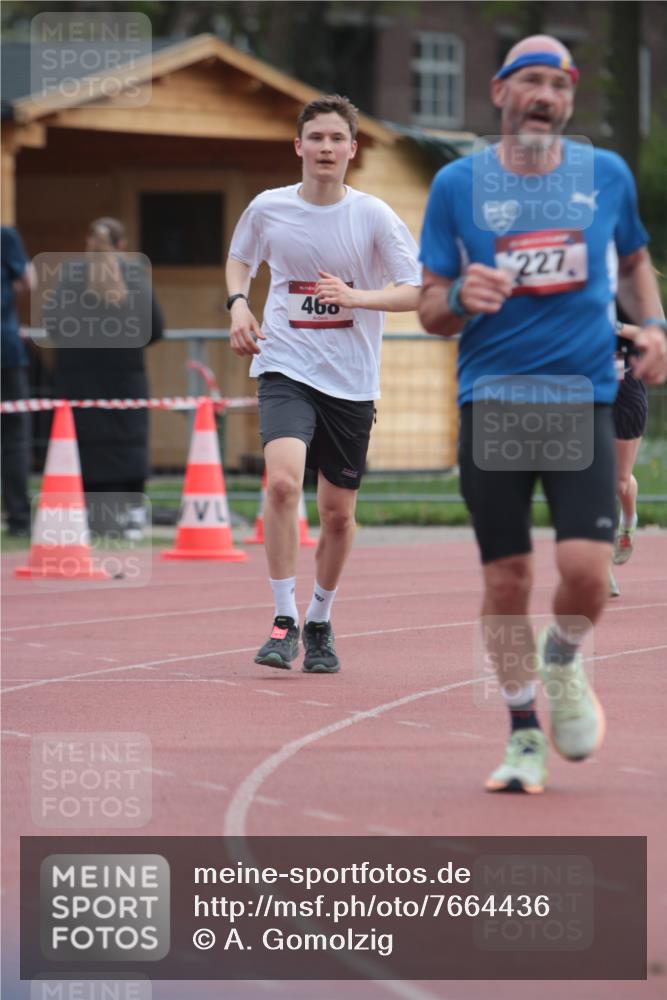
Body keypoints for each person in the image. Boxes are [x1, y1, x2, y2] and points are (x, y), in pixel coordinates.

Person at [418, 36, 667, 792]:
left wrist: (653, 325)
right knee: (507, 581)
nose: (543, 97)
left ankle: (560, 659)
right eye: (529, 82)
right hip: (492, 399)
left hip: (581, 394)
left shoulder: (606, 176)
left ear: (567, 98)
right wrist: (462, 297)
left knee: (587, 575)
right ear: (498, 92)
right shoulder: (456, 185)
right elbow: (430, 305)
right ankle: (523, 731)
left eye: (556, 86)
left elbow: (629, 264)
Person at [226, 95, 421, 673]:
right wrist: (239, 304)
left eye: (338, 139)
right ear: (299, 146)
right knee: (283, 484)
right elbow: (241, 260)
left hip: (351, 381)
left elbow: (415, 290)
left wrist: (357, 296)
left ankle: (320, 618)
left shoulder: (374, 216)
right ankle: (283, 620)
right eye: (316, 138)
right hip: (286, 365)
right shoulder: (269, 208)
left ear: (353, 150)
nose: (327, 148)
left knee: (337, 514)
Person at [49, 218, 163, 538]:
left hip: (77, 381)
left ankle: (86, 516)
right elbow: (156, 327)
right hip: (125, 380)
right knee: (127, 445)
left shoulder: (70, 277)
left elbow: (53, 325)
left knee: (84, 446)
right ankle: (132, 517)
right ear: (123, 245)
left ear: (88, 241)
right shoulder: (134, 278)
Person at [1, 225, 36, 536]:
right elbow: (29, 280)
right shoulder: (5, 236)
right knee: (13, 437)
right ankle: (19, 519)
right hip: (5, 350)